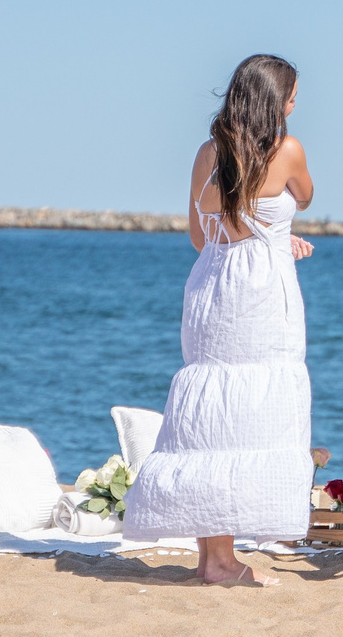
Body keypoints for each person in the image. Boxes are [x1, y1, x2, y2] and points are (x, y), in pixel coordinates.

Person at [121, 54, 317, 586]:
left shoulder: (208, 152)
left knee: (211, 415)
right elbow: (304, 195)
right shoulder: (287, 149)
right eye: (292, 96)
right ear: (276, 101)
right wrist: (273, 242)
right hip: (261, 297)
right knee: (249, 413)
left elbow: (199, 236)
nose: (295, 105)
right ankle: (223, 562)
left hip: (211, 288)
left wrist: (262, 240)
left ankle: (213, 558)